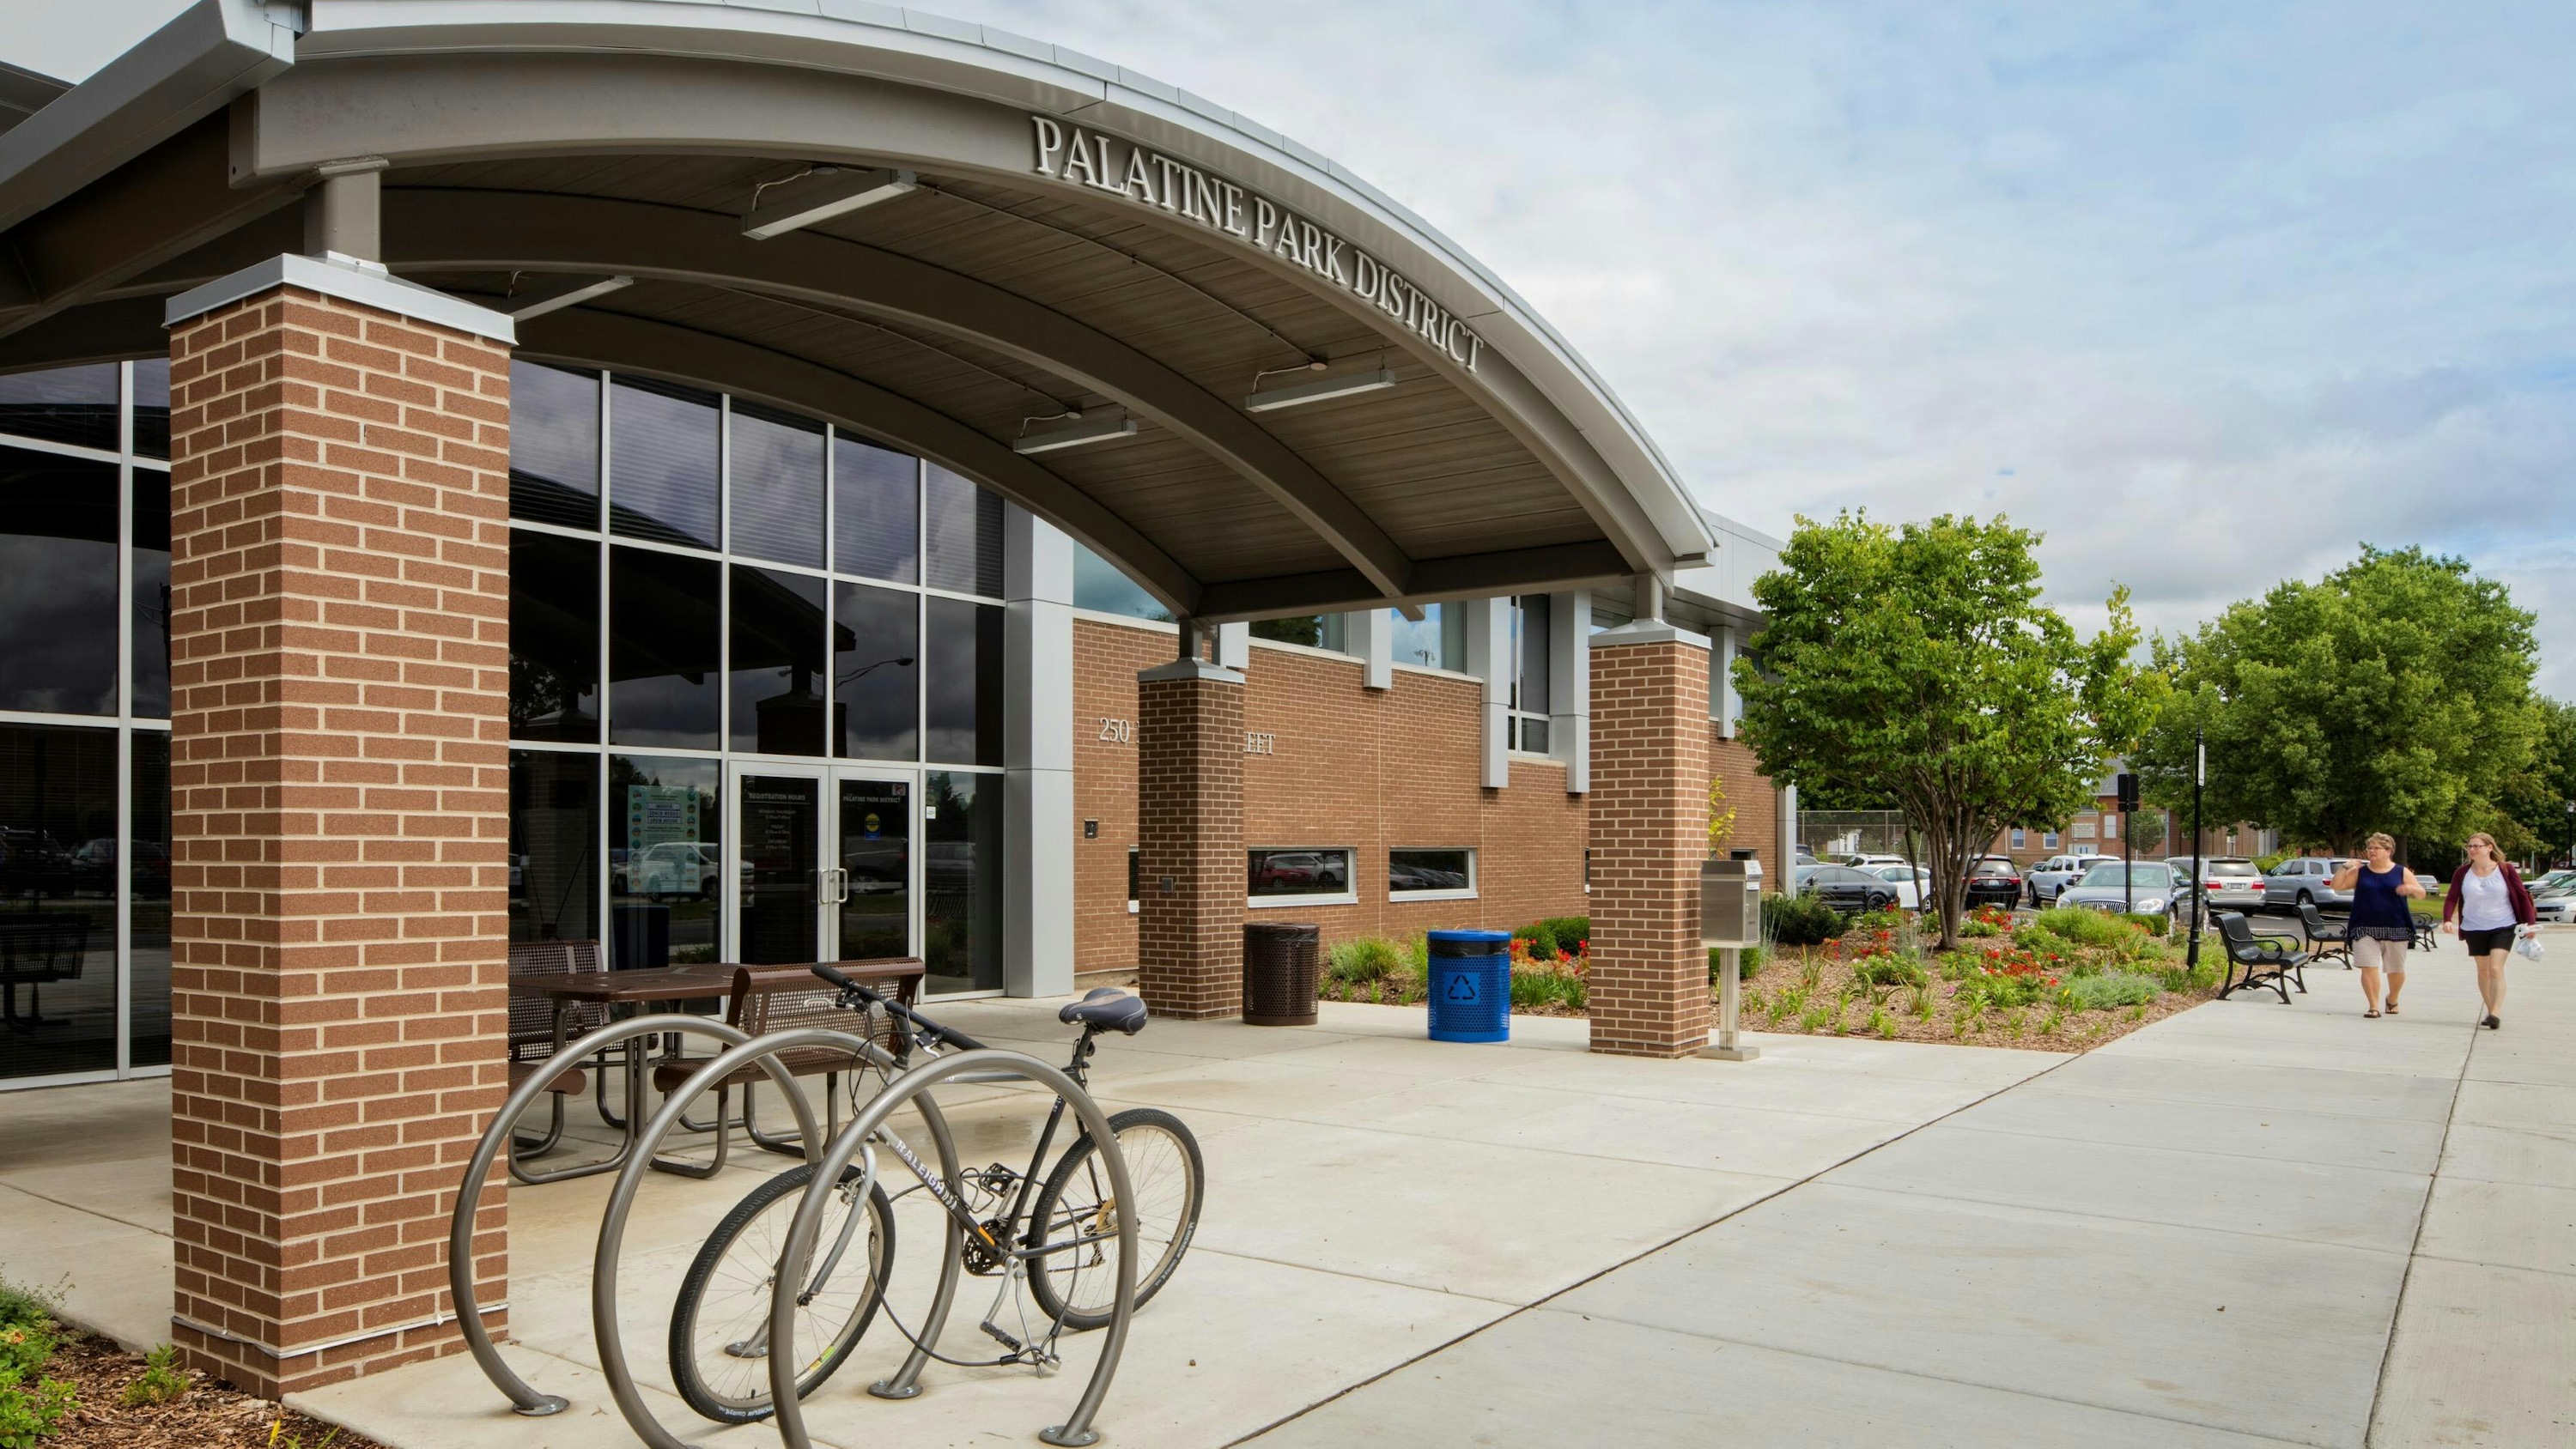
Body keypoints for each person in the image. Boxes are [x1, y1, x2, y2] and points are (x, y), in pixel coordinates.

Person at [2440, 831, 2535, 1030]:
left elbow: (2522, 896)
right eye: (2470, 846)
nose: (2472, 849)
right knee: (2483, 971)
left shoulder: (2505, 870)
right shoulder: (2462, 872)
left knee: (2495, 968)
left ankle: (2495, 1012)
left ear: (2489, 848)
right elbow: (2452, 897)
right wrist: (2447, 919)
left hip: (2503, 925)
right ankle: (2491, 1010)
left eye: (2477, 846)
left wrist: (2530, 924)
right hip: (2474, 927)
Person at [2332, 834, 2426, 1018]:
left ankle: (2392, 997)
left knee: (2396, 970)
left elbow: (2421, 893)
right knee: (2368, 966)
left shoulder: (2401, 872)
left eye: (2376, 848)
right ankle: (2373, 1006)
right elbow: (2337, 885)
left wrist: (2411, 890)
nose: (2371, 851)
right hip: (2364, 926)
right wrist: (2345, 867)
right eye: (2369, 848)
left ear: (2389, 851)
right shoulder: (2361, 872)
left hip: (2395, 926)